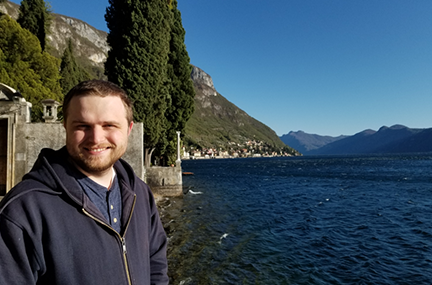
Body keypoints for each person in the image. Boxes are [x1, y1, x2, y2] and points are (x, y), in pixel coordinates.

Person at [0, 80, 169, 284]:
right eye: (83, 126)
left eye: (109, 125)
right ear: (65, 127)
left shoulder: (140, 194)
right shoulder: (22, 210)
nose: (96, 138)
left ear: (129, 129)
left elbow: (157, 266)